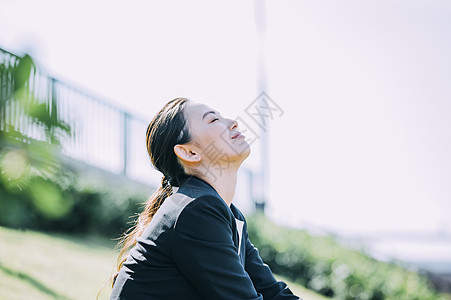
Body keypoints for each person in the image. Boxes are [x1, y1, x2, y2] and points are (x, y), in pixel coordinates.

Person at [110, 97, 301, 299]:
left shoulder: (227, 214)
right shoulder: (196, 209)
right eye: (213, 120)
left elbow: (272, 292)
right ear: (190, 152)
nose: (232, 122)